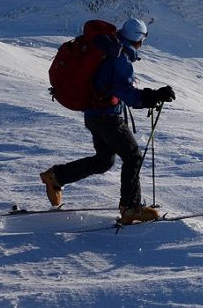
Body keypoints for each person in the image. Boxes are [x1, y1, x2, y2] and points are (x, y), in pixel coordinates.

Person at [40, 18, 176, 224]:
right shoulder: (119, 58)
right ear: (140, 39)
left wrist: (151, 95)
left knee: (104, 161)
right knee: (133, 156)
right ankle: (130, 208)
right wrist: (153, 96)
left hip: (95, 115)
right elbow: (126, 93)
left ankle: (56, 177)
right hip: (107, 117)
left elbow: (113, 87)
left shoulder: (110, 49)